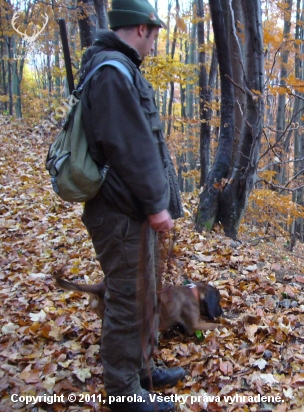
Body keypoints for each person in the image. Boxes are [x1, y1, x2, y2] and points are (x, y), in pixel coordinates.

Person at [79, 0, 184, 411]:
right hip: (120, 210)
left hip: (130, 208)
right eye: (155, 35)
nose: (155, 45)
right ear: (140, 29)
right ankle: (124, 395)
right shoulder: (111, 73)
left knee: (143, 295)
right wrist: (158, 204)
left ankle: (141, 373)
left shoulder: (116, 69)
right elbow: (131, 148)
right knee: (127, 298)